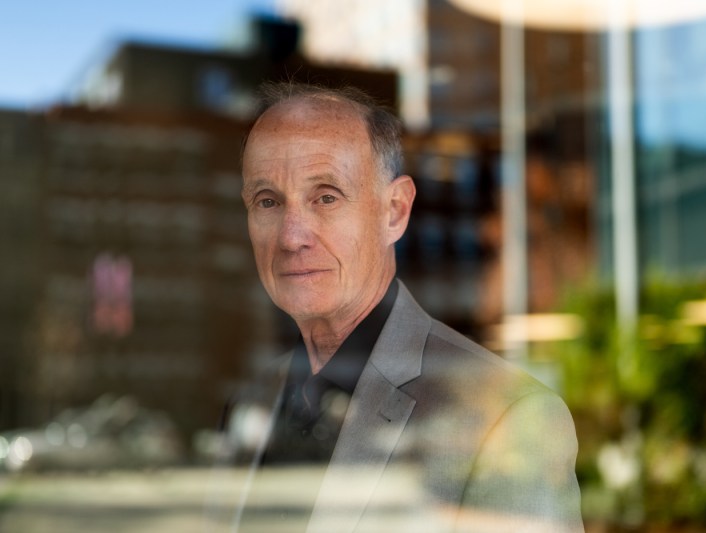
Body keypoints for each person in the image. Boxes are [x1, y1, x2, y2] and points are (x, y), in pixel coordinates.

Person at [205, 82, 583, 533]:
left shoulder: (507, 416)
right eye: (268, 201)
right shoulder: (255, 399)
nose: (291, 236)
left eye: (326, 197)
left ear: (395, 211)